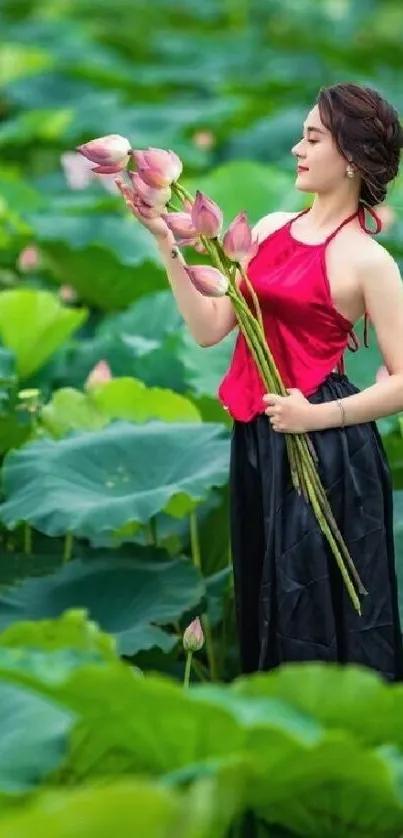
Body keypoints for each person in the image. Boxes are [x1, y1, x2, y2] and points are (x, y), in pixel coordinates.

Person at [120, 82, 403, 683]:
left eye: (313, 138)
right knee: (267, 593)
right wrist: (167, 241)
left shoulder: (368, 261)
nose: (297, 149)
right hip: (259, 433)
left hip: (325, 443)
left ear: (351, 156)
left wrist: (318, 418)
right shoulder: (270, 229)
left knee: (324, 604)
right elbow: (211, 328)